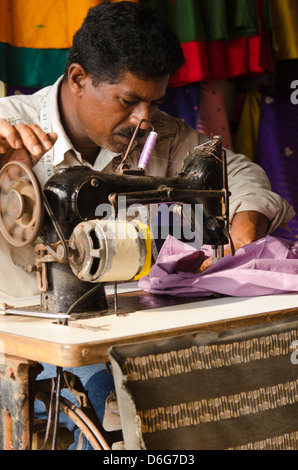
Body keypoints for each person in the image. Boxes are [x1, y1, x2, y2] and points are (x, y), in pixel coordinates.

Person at [0, 1, 294, 448]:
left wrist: (245, 221)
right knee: (122, 407)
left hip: (113, 334)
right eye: (129, 100)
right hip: (22, 341)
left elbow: (243, 175)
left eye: (155, 101)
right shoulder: (9, 129)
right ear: (78, 78)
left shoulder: (162, 136)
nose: (143, 119)